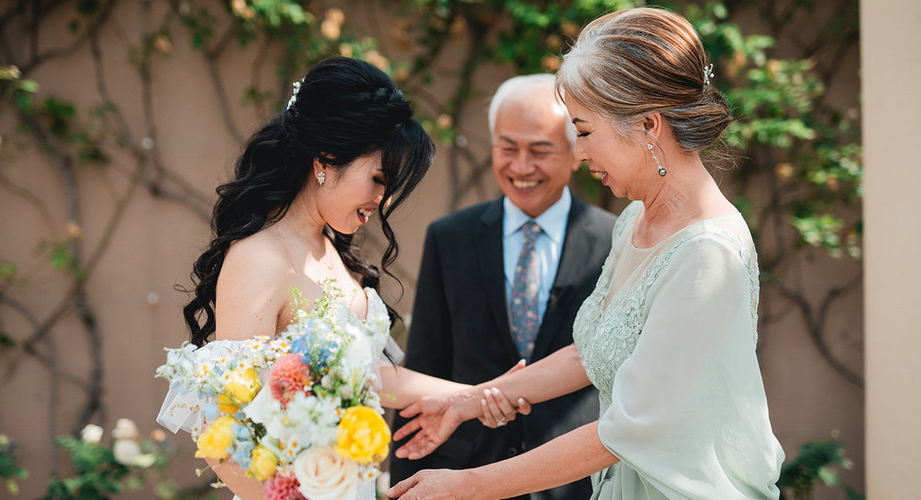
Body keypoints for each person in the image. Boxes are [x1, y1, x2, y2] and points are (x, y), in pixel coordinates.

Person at [388, 8, 785, 499]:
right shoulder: (635, 221)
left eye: (585, 130)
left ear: (647, 126)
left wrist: (471, 486)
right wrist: (471, 401)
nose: (578, 154)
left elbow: (626, 429)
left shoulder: (706, 255)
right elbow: (593, 350)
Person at [157, 57, 523, 500]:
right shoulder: (259, 259)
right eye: (377, 180)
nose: (382, 202)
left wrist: (474, 396)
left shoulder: (332, 249)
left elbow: (372, 375)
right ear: (326, 158)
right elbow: (221, 426)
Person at [389, 74, 616, 500]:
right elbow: (426, 362)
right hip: (464, 472)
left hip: (576, 481)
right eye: (507, 148)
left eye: (540, 150)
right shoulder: (450, 237)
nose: (521, 167)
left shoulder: (616, 241)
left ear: (575, 153)